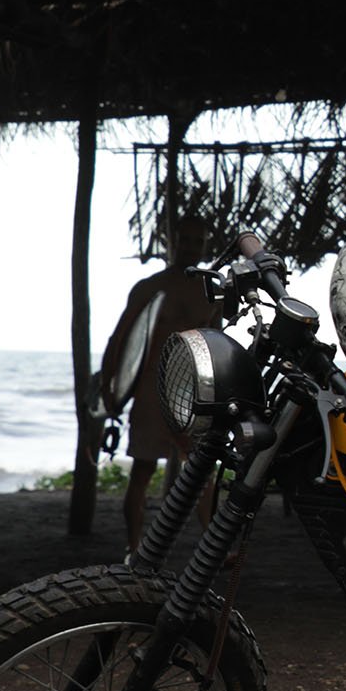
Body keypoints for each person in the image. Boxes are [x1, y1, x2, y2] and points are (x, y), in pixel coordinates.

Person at [98, 224, 221, 551]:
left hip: (192, 391)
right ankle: (133, 546)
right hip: (152, 391)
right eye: (186, 239)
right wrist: (110, 384)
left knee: (201, 468)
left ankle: (211, 543)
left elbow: (216, 343)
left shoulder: (210, 291)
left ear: (206, 245)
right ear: (173, 242)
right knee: (142, 471)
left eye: (198, 240)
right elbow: (121, 336)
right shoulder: (150, 288)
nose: (192, 246)